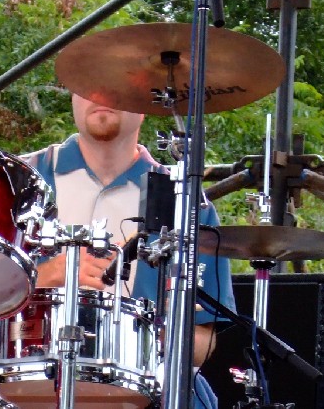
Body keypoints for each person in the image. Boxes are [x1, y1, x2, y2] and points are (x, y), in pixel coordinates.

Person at [22, 93, 236, 408]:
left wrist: (147, 332)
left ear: (145, 104)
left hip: (139, 394)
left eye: (111, 82)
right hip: (28, 387)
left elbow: (202, 343)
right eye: (86, 84)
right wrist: (46, 274)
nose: (98, 93)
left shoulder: (185, 202)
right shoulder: (22, 178)